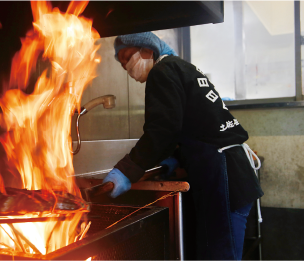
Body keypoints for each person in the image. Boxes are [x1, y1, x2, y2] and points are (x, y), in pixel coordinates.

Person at [102, 32, 263, 261]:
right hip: (234, 173)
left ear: (148, 49)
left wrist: (128, 169)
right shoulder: (182, 68)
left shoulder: (162, 71)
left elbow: (162, 130)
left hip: (222, 176)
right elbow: (194, 123)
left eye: (128, 56)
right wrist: (176, 157)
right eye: (121, 63)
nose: (126, 66)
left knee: (218, 256)